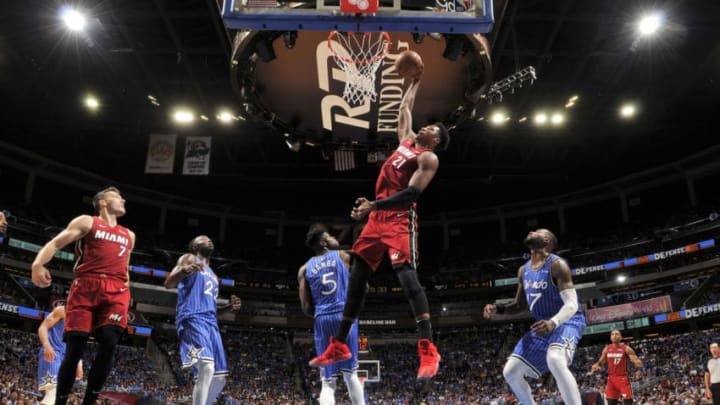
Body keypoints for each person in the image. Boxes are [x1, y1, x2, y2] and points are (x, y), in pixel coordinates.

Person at [309, 75, 449, 379]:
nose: (425, 127)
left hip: (399, 219)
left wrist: (375, 204)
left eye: (432, 129)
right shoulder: (406, 143)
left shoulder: (428, 157)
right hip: (377, 218)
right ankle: (339, 344)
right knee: (357, 279)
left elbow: (411, 195)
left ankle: (428, 348)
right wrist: (415, 80)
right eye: (426, 125)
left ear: (436, 140)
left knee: (408, 280)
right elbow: (404, 109)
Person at [31, 186, 135, 405]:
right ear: (103, 202)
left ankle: (90, 401)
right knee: (75, 347)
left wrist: (126, 289)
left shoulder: (129, 235)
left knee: (109, 342)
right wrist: (38, 263)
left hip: (116, 289)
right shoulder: (88, 222)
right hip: (86, 284)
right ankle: (61, 401)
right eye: (118, 197)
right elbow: (57, 242)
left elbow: (125, 268)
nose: (123, 200)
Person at [483, 229, 586, 405]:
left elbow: (571, 304)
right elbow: (519, 305)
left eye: (537, 231)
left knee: (555, 358)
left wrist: (553, 322)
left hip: (567, 320)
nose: (532, 231)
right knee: (511, 372)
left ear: (546, 241)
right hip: (542, 326)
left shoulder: (557, 265)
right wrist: (497, 309)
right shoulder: (523, 270)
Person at [165, 235, 241, 405]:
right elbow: (168, 283)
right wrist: (183, 270)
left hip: (211, 325)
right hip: (193, 318)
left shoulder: (213, 275)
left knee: (219, 378)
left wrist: (228, 307)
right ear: (194, 246)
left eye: (210, 239)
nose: (209, 240)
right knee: (206, 368)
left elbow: (212, 310)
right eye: (204, 239)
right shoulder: (190, 258)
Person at [298, 224, 364, 405]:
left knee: (327, 383)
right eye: (330, 236)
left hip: (322, 318)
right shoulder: (343, 256)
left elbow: (305, 307)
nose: (336, 238)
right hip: (344, 316)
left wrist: (322, 314)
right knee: (351, 375)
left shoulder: (304, 269)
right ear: (324, 242)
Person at [38, 304, 84, 405]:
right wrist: (47, 345)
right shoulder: (63, 310)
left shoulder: (85, 318)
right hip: (52, 353)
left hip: (66, 359)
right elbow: (43, 327)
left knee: (57, 397)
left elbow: (78, 343)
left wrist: (79, 363)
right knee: (52, 393)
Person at [590, 329, 643, 405]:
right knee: (611, 403)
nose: (614, 335)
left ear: (621, 337)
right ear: (610, 337)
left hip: (623, 379)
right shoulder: (607, 349)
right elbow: (601, 361)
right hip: (611, 379)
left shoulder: (626, 348)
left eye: (616, 334)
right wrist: (597, 365)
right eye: (612, 334)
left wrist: (638, 363)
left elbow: (636, 360)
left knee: (628, 403)